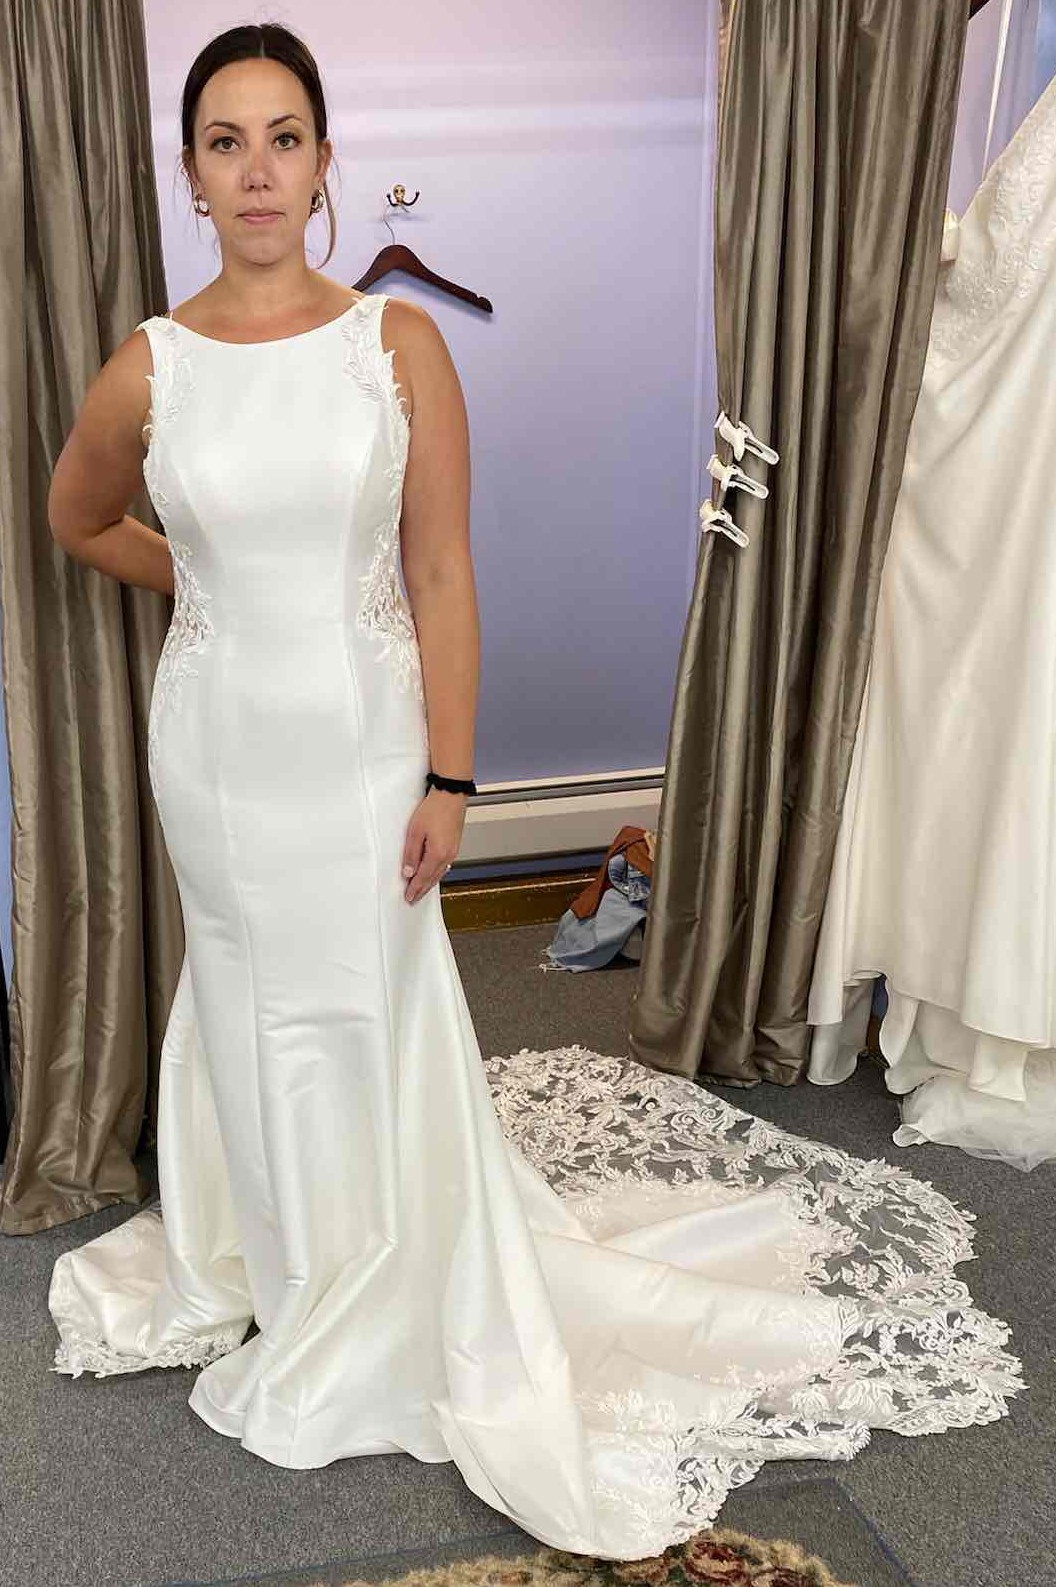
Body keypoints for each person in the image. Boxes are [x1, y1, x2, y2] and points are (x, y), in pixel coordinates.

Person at [44, 22, 1024, 1563]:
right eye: (226, 141)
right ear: (191, 171)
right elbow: (78, 517)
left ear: (324, 161)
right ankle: (280, 1263)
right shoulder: (148, 365)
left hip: (366, 741)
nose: (257, 170)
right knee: (246, 997)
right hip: (217, 751)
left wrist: (451, 771)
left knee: (368, 995)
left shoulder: (396, 343)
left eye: (284, 138)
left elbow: (440, 569)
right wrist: (213, 588)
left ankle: (388, 1272)